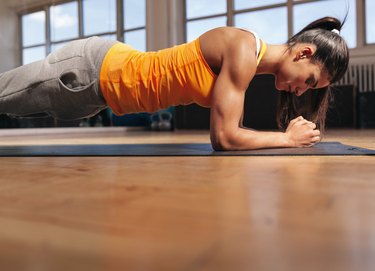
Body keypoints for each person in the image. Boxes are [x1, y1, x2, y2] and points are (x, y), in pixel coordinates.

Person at [0, 16, 348, 150]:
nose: (301, 90)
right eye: (309, 81)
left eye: (309, 91)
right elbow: (225, 138)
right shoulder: (243, 50)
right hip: (92, 71)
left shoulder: (248, 65)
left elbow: (234, 132)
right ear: (303, 53)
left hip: (96, 94)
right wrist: (287, 139)